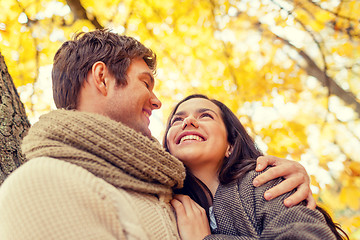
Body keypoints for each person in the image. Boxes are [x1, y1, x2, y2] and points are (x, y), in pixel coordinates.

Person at [0, 29, 312, 239]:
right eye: (145, 82)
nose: (156, 100)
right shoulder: (44, 184)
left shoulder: (167, 193)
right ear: (102, 78)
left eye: (206, 116)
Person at [164, 94, 349, 240]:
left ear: (231, 145)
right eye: (177, 120)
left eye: (205, 116)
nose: (188, 121)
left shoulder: (263, 181)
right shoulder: (165, 199)